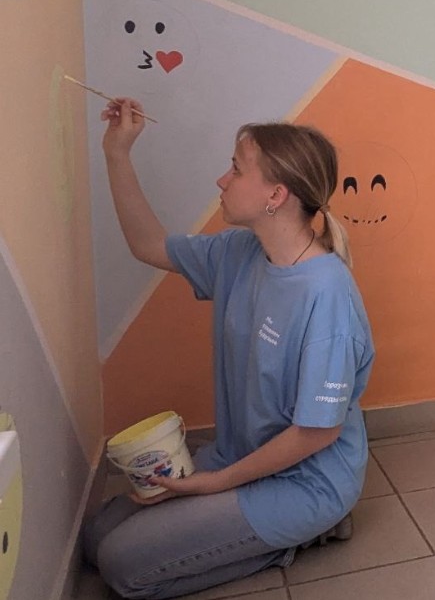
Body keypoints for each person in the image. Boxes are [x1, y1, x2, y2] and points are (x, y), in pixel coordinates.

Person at [83, 98, 375, 598]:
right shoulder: (240, 252)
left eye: (236, 170)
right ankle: (247, 518)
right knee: (96, 537)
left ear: (275, 195)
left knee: (121, 565)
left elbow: (316, 433)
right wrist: (117, 154)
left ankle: (303, 534)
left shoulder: (326, 296)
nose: (222, 180)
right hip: (239, 456)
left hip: (305, 482)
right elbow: (148, 245)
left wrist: (213, 484)